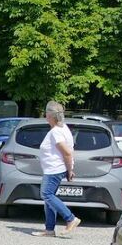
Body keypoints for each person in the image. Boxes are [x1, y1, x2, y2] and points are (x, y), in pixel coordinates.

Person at [34, 101, 82, 237]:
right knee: (49, 198)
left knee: (46, 194)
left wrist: (70, 169)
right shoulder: (63, 128)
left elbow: (67, 152)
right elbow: (69, 151)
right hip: (55, 169)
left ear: (50, 116)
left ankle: (70, 218)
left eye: (46, 114)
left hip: (54, 169)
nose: (45, 116)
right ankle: (49, 229)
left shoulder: (56, 132)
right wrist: (69, 169)